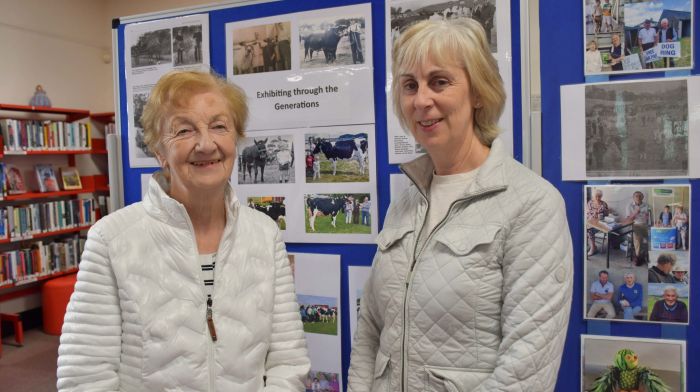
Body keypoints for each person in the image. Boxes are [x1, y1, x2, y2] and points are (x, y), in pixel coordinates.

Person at [348, 19, 573, 392]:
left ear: (479, 92)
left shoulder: (532, 204)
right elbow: (371, 329)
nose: (421, 100)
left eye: (439, 82)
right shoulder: (405, 204)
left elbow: (525, 372)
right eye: (409, 85)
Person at [57, 70, 310, 391]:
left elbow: (288, 359)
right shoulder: (111, 240)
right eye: (184, 130)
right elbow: (85, 376)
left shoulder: (265, 234)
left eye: (219, 126)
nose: (206, 144)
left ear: (236, 139)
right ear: (159, 152)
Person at [626, 191, 649, 263]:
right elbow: (629, 219)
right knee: (638, 239)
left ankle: (646, 255)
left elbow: (648, 218)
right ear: (633, 197)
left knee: (653, 236)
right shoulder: (629, 205)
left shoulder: (646, 205)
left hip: (645, 224)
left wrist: (646, 217)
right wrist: (635, 213)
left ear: (642, 197)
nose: (638, 197)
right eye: (636, 196)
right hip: (635, 224)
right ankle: (638, 256)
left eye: (640, 196)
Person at [585, 189, 609, 256]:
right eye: (596, 196)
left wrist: (604, 211)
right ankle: (593, 246)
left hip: (600, 224)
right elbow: (588, 213)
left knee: (589, 230)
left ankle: (593, 248)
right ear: (593, 196)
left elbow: (607, 214)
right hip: (590, 222)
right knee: (587, 229)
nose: (598, 198)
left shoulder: (604, 204)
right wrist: (594, 214)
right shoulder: (590, 203)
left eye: (599, 196)